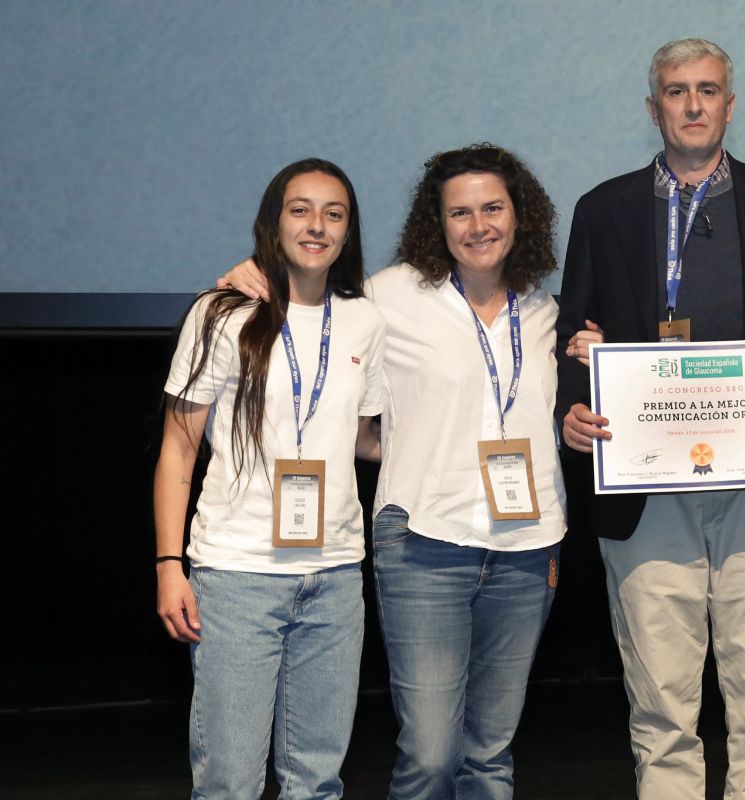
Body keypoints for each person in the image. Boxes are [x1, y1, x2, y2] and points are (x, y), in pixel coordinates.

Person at [221, 144, 566, 800]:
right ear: (437, 225)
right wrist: (250, 275)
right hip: (425, 547)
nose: (477, 225)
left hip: (529, 551)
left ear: (521, 216)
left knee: (490, 754)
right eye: (458, 212)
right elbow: (312, 319)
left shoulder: (546, 311)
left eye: (492, 207)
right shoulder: (390, 297)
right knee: (432, 754)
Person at [555, 39, 745, 799]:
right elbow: (570, 338)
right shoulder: (604, 207)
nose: (691, 105)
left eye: (707, 90)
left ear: (730, 105)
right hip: (645, 493)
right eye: (676, 92)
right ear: (654, 108)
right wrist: (571, 413)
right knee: (661, 712)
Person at [154, 158, 386, 799]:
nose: (317, 225)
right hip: (237, 575)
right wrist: (169, 565)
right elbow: (179, 448)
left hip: (335, 576)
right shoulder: (223, 312)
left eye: (334, 214)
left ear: (348, 230)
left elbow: (367, 440)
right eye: (301, 209)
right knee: (229, 782)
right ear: (273, 221)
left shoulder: (364, 319)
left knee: (316, 782)